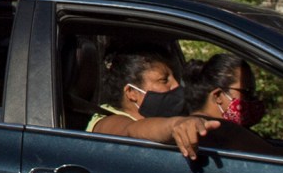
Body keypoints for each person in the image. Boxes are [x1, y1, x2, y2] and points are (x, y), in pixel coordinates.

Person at [85, 49, 218, 155]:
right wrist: (175, 125)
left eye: (176, 78)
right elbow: (131, 130)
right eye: (164, 80)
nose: (176, 85)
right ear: (132, 92)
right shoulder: (107, 122)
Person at [155, 51, 278, 153]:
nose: (252, 100)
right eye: (246, 92)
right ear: (218, 96)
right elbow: (275, 155)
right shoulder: (225, 130)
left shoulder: (192, 123)